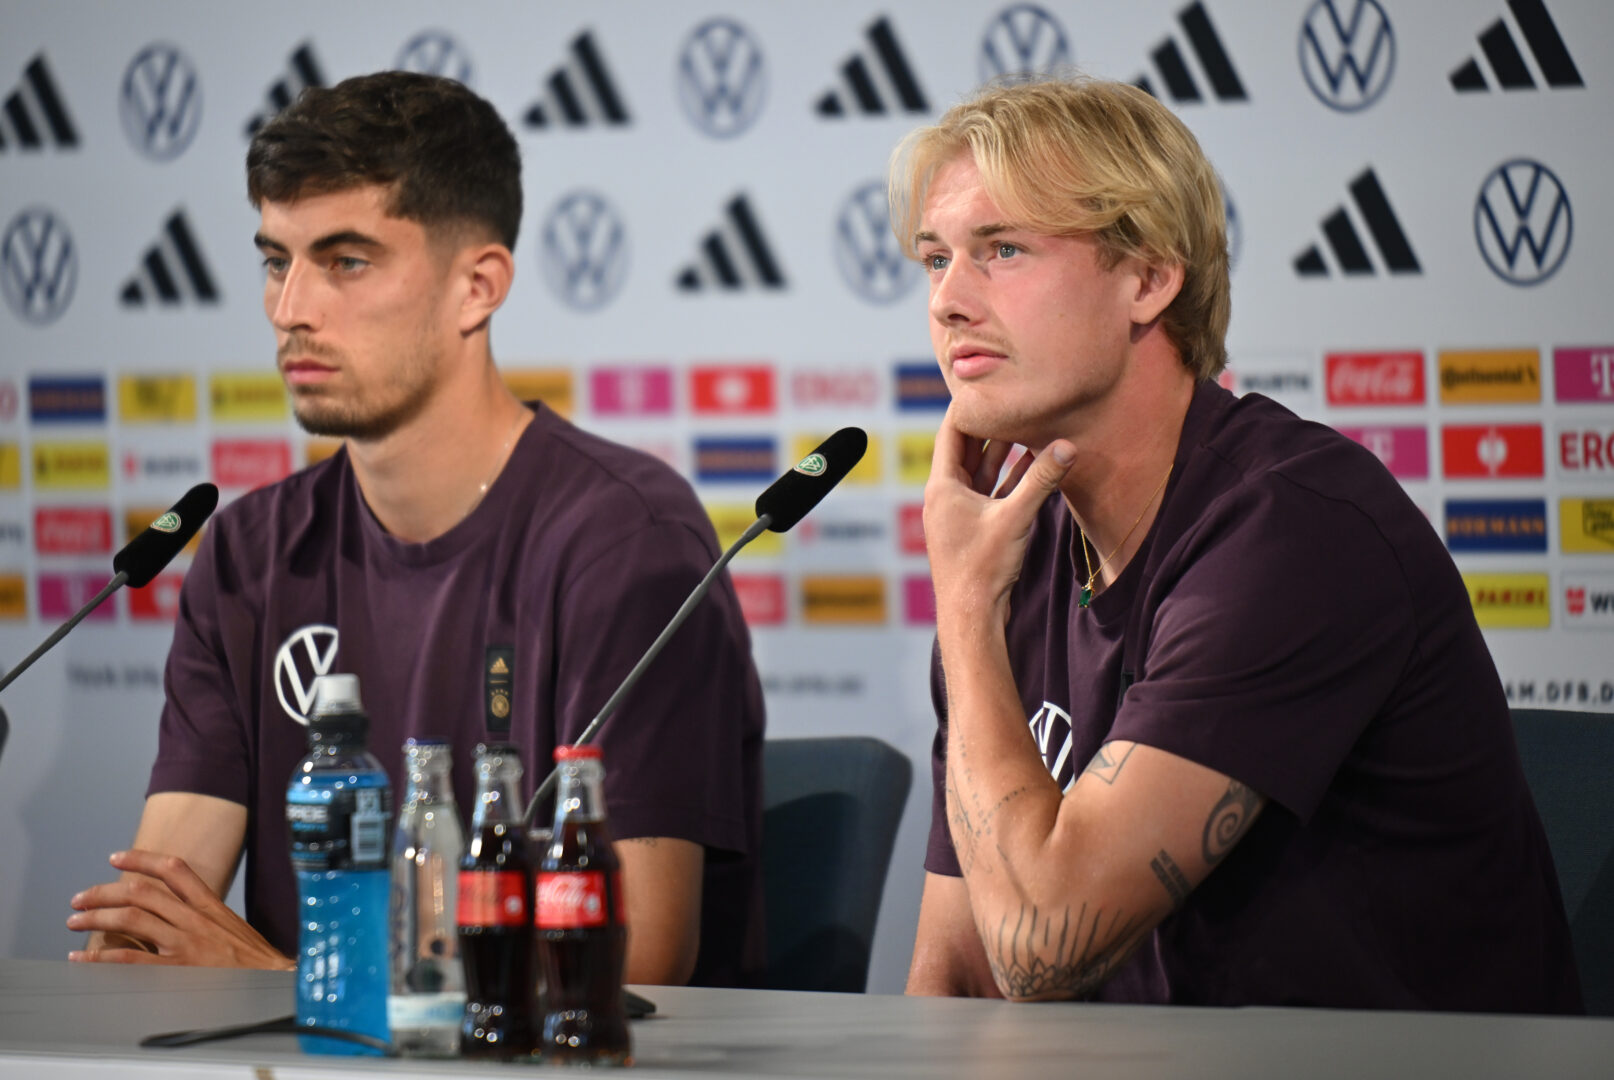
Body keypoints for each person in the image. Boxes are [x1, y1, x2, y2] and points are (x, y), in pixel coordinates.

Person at [894, 77, 1581, 1011]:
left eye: (1002, 250)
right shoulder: (1009, 542)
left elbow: (1040, 947)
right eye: (935, 260)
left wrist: (966, 605)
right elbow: (959, 973)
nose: (947, 302)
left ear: (1149, 279)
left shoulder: (1295, 529)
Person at [66, 72, 765, 988]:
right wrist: (213, 967)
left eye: (346, 262)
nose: (291, 309)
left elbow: (632, 963)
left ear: (478, 286)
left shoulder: (627, 543)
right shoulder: (246, 555)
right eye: (277, 262)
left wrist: (290, 979)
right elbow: (150, 928)